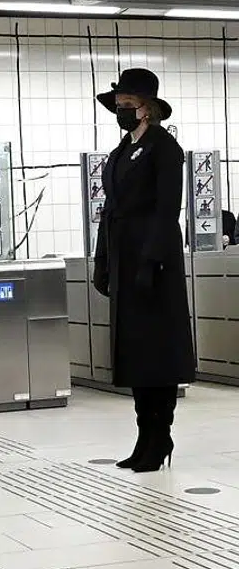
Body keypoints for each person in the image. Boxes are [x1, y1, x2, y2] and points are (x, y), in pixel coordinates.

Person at [92, 69, 195, 472]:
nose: (121, 111)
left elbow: (168, 210)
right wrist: (103, 261)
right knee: (134, 350)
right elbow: (109, 211)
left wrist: (152, 260)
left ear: (147, 109)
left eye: (127, 105)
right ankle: (143, 435)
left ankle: (160, 434)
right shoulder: (121, 151)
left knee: (157, 349)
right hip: (123, 253)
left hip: (154, 260)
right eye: (118, 105)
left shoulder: (163, 148)